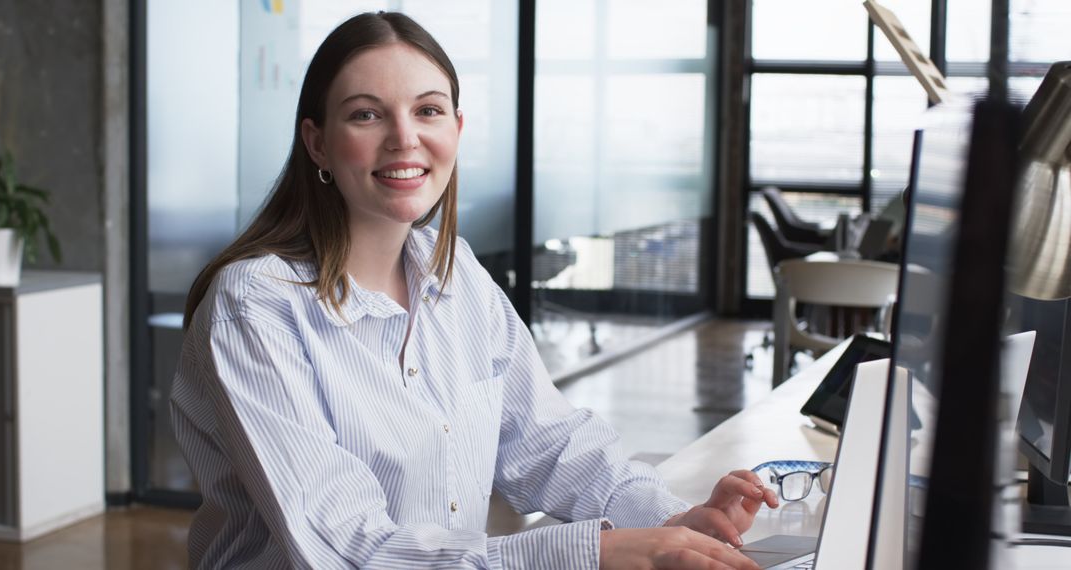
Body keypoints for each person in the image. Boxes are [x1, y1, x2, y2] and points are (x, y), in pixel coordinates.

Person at [171, 11, 777, 569]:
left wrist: (670, 520)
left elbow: (548, 442)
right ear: (318, 142)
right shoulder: (255, 305)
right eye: (366, 114)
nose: (404, 138)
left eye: (428, 111)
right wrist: (595, 552)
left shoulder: (454, 274)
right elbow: (348, 548)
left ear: (457, 130)